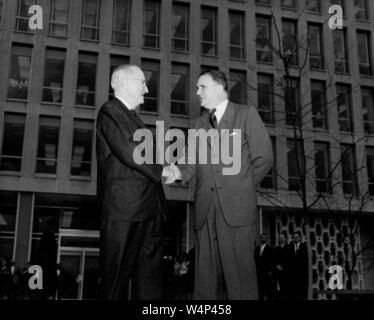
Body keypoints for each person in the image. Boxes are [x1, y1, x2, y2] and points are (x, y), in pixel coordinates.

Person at [165, 70, 273, 299]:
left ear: (218, 87)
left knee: (241, 283)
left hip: (237, 211)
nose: (197, 93)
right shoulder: (197, 125)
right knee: (204, 284)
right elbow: (189, 164)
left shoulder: (246, 114)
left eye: (201, 87)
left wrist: (241, 188)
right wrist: (175, 171)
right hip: (205, 211)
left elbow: (264, 158)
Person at [96, 64, 170, 300]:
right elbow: (130, 150)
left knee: (150, 284)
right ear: (125, 82)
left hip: (148, 211)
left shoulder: (133, 118)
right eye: (142, 83)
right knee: (115, 282)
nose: (147, 90)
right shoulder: (109, 111)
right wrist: (163, 170)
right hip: (124, 211)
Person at [254, 233, 276, 300]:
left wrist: (270, 270)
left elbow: (272, 260)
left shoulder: (270, 248)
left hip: (267, 272)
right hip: (259, 272)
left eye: (264, 238)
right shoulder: (257, 248)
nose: (263, 239)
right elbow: (255, 259)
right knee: (260, 290)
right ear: (260, 239)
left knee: (268, 290)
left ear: (266, 239)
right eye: (262, 238)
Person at [288, 231, 309, 300]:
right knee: (294, 294)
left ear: (300, 238)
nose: (295, 239)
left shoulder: (305, 247)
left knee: (302, 294)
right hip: (293, 276)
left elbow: (306, 261)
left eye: (297, 237)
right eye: (294, 237)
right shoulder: (290, 247)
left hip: (302, 275)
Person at [274, 232, 291, 299]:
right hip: (279, 274)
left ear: (285, 238)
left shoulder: (289, 248)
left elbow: (290, 260)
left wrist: (283, 267)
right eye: (279, 238)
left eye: (282, 237)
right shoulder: (276, 249)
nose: (281, 239)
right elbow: (274, 260)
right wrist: (277, 266)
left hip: (287, 273)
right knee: (280, 292)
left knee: (287, 292)